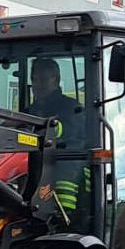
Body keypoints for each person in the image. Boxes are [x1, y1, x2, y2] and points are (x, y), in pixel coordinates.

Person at [26, 57, 86, 217]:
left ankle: (63, 219)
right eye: (35, 79)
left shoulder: (71, 108)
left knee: (61, 215)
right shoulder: (30, 111)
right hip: (34, 168)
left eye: (44, 79)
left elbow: (65, 131)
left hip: (66, 166)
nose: (38, 84)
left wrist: (38, 128)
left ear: (57, 80)